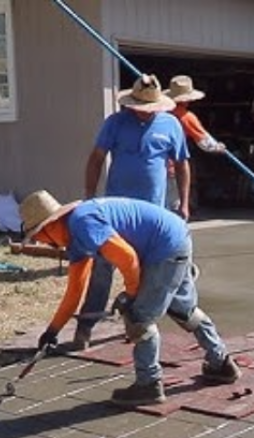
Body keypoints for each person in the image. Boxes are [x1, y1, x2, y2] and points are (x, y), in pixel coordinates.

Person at [19, 189, 241, 408]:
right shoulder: (77, 234)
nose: (45, 244)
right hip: (175, 237)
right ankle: (221, 363)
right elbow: (75, 291)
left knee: (139, 317)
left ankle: (149, 384)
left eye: (40, 237)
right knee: (183, 309)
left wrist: (132, 295)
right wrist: (52, 331)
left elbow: (127, 257)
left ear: (49, 226)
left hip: (163, 248)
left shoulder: (82, 222)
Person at [73, 73, 192, 351]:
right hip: (115, 216)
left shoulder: (171, 124)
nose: (142, 112)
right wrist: (89, 198)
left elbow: (182, 164)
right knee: (102, 269)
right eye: (137, 106)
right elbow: (96, 159)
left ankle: (139, 326)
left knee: (148, 273)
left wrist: (184, 202)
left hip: (151, 218)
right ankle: (85, 328)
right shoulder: (115, 123)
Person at [163, 75, 226, 212]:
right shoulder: (186, 117)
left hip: (154, 166)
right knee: (172, 208)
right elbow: (205, 142)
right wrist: (218, 147)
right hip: (172, 169)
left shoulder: (158, 112)